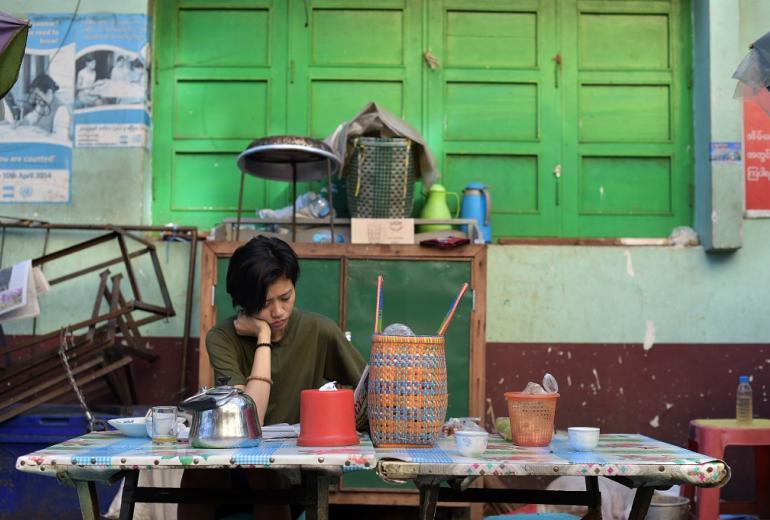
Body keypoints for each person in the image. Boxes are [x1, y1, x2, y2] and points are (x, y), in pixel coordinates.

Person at [180, 236, 366, 519]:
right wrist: (264, 339)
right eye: (266, 303)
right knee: (198, 475)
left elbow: (370, 390)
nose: (278, 312)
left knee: (265, 474)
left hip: (288, 461)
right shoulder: (222, 337)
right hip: (233, 454)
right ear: (243, 301)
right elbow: (250, 418)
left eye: (286, 297)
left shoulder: (320, 331)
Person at [19, 73, 71, 140]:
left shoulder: (61, 110)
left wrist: (39, 134)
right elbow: (32, 117)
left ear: (49, 92)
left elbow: (61, 138)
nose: (36, 100)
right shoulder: (42, 104)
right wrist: (21, 123)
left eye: (37, 95)